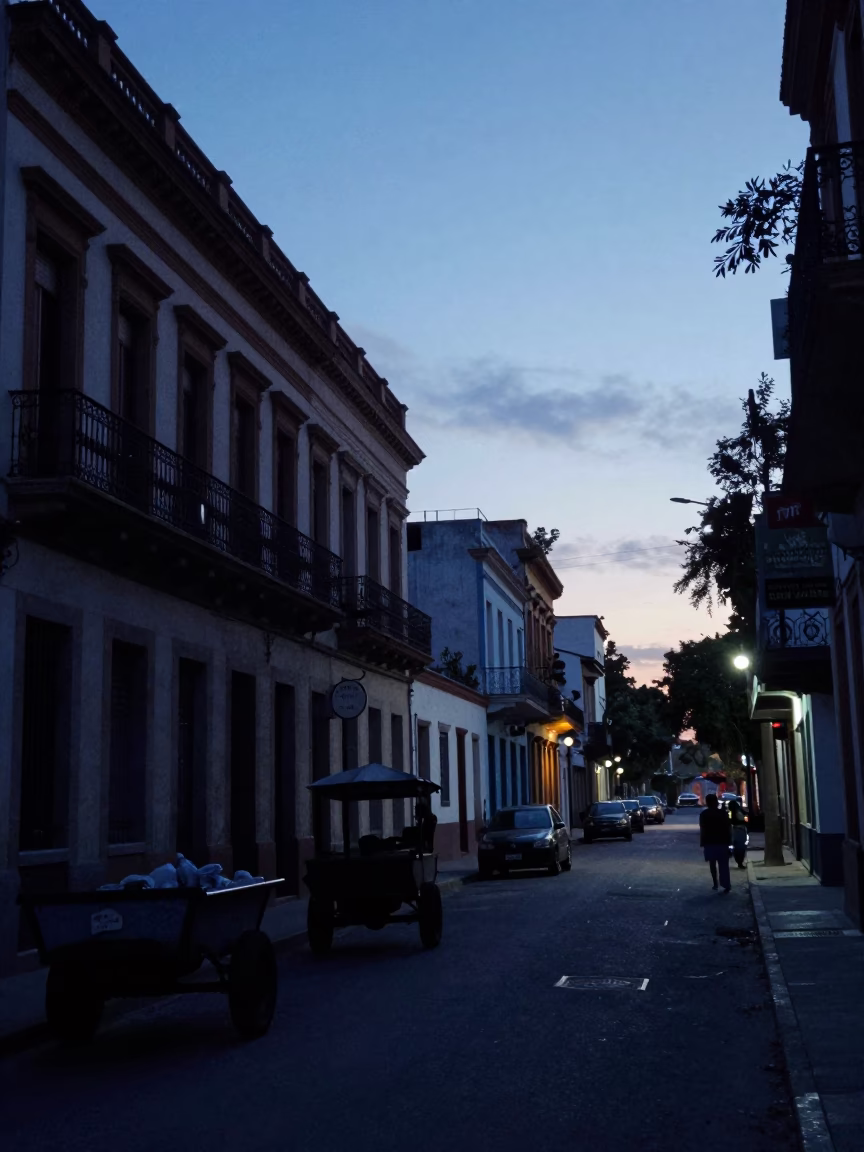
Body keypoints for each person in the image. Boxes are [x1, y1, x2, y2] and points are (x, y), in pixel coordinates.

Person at [699, 793, 732, 892]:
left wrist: (702, 841)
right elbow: (728, 827)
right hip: (722, 841)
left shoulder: (704, 814)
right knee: (724, 864)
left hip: (709, 842)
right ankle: (726, 884)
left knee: (712, 864)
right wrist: (730, 840)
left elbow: (703, 829)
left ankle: (715, 883)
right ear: (716, 802)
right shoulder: (723, 813)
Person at [728, 799, 749, 869]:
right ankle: (740, 862)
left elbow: (730, 821)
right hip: (741, 829)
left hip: (734, 830)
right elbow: (745, 819)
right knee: (741, 846)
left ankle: (739, 862)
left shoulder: (731, 813)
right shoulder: (739, 811)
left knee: (736, 847)